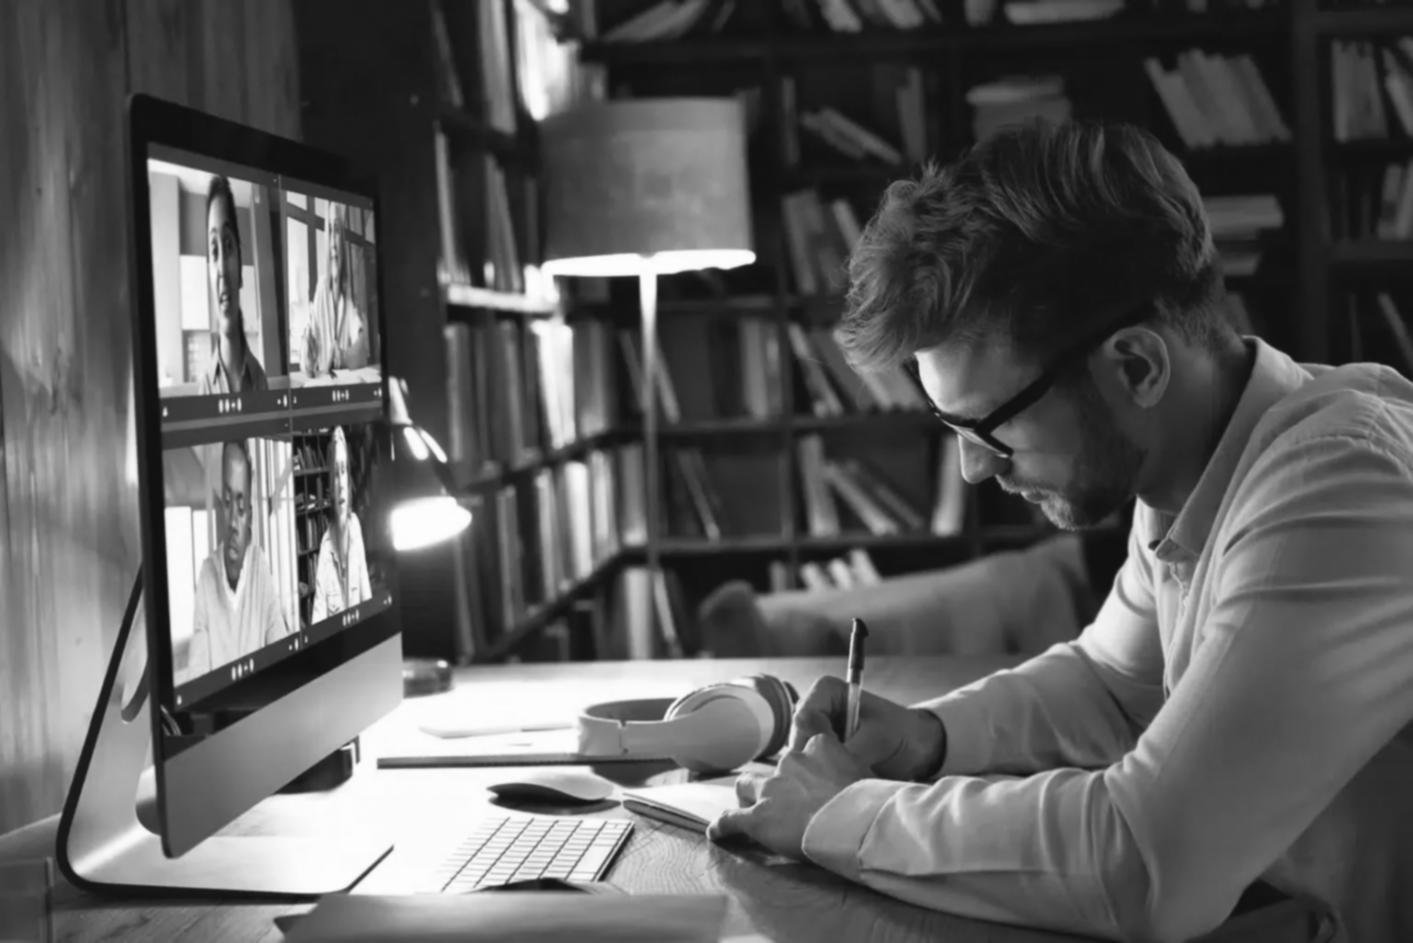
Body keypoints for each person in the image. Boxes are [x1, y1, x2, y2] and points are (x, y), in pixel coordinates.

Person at [708, 120, 1413, 943]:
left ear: (1135, 366)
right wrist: (928, 737)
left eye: (991, 424)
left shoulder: (1339, 485)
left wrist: (844, 814)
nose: (974, 468)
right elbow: (1113, 686)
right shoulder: (1196, 467)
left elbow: (1146, 863)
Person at [188, 440, 291, 676]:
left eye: (242, 507)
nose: (233, 522)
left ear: (251, 517)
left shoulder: (259, 566)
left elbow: (281, 650)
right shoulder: (207, 574)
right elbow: (198, 671)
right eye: (227, 502)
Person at [199, 175, 267, 394]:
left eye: (228, 246)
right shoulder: (204, 388)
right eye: (214, 251)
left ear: (240, 272)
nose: (221, 270)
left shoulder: (260, 379)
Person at [301, 203, 369, 378]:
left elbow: (362, 350)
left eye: (337, 230)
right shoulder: (321, 289)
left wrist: (342, 358)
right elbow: (306, 361)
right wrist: (307, 353)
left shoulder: (349, 294)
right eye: (329, 231)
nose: (332, 244)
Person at [311, 426, 371, 622]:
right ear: (330, 484)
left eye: (344, 471)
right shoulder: (325, 546)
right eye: (335, 473)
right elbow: (319, 613)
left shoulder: (355, 528)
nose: (341, 482)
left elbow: (366, 595)